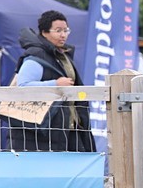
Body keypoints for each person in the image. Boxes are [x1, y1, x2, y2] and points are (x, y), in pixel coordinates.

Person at [10, 10, 94, 152]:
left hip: (69, 127)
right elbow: (23, 86)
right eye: (58, 31)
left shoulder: (63, 54)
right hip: (42, 131)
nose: (63, 35)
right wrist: (55, 84)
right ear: (44, 32)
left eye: (66, 30)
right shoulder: (36, 54)